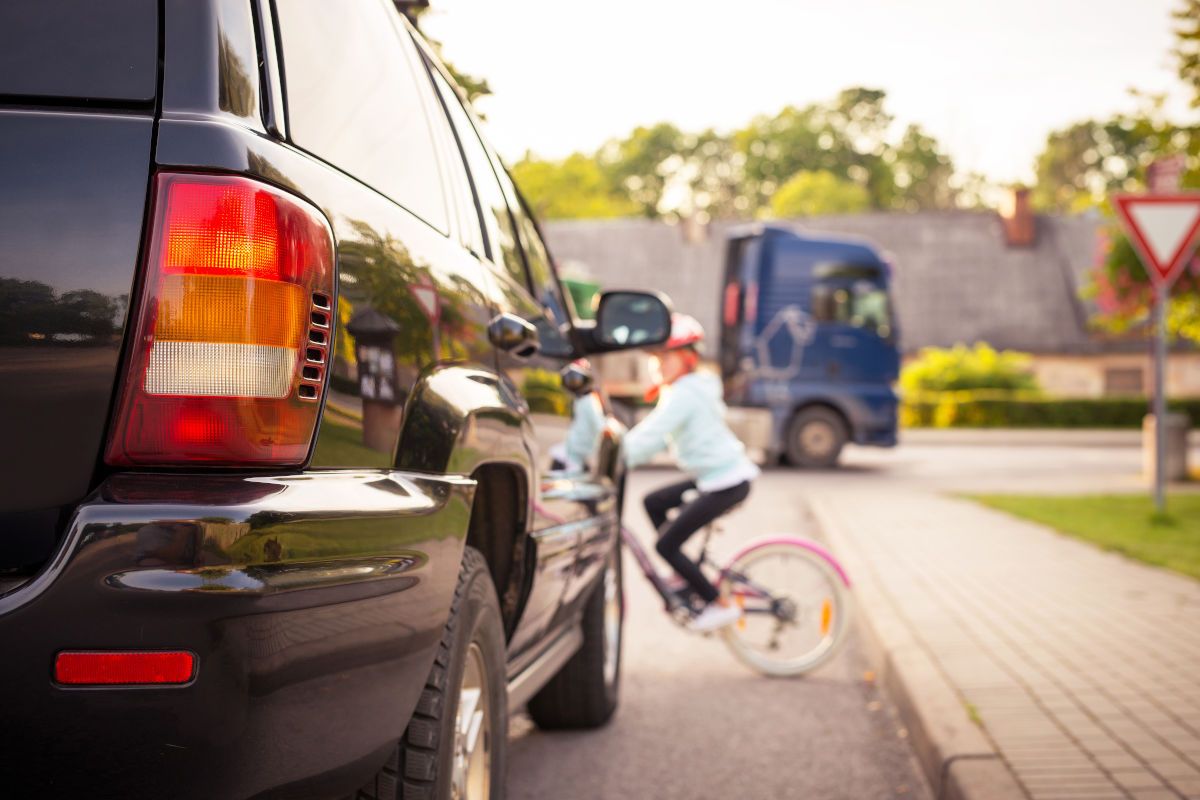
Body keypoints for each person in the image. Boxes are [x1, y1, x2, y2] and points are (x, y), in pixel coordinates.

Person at [623, 313, 760, 632]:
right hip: (715, 477)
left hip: (726, 482)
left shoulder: (684, 393)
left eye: (665, 356)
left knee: (665, 545)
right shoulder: (686, 388)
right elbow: (648, 432)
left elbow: (651, 437)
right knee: (653, 502)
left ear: (687, 358)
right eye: (655, 358)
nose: (658, 364)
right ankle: (684, 571)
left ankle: (717, 603)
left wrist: (615, 457)